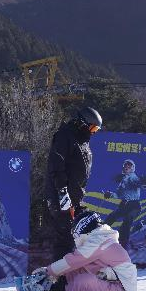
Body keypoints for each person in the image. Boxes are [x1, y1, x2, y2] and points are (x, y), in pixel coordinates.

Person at [22, 211, 136, 291]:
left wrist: (48, 270)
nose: (75, 239)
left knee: (84, 280)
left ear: (81, 229)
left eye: (75, 234)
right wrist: (54, 274)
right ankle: (50, 286)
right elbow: (77, 265)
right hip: (115, 285)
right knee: (78, 270)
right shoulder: (102, 238)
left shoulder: (99, 241)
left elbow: (74, 260)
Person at [43, 107, 102, 262]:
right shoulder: (64, 136)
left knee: (77, 237)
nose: (93, 132)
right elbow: (56, 165)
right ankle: (58, 281)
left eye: (97, 129)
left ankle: (68, 276)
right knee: (64, 240)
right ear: (81, 123)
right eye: (93, 128)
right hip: (61, 196)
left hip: (74, 198)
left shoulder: (82, 141)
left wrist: (76, 198)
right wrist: (62, 191)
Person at [104, 159, 146, 249]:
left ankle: (122, 246)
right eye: (125, 165)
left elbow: (138, 183)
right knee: (111, 217)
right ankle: (100, 236)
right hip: (124, 205)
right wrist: (110, 194)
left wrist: (144, 182)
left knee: (127, 221)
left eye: (129, 166)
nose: (127, 167)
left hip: (134, 205)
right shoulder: (123, 180)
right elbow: (119, 194)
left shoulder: (132, 177)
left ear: (132, 168)